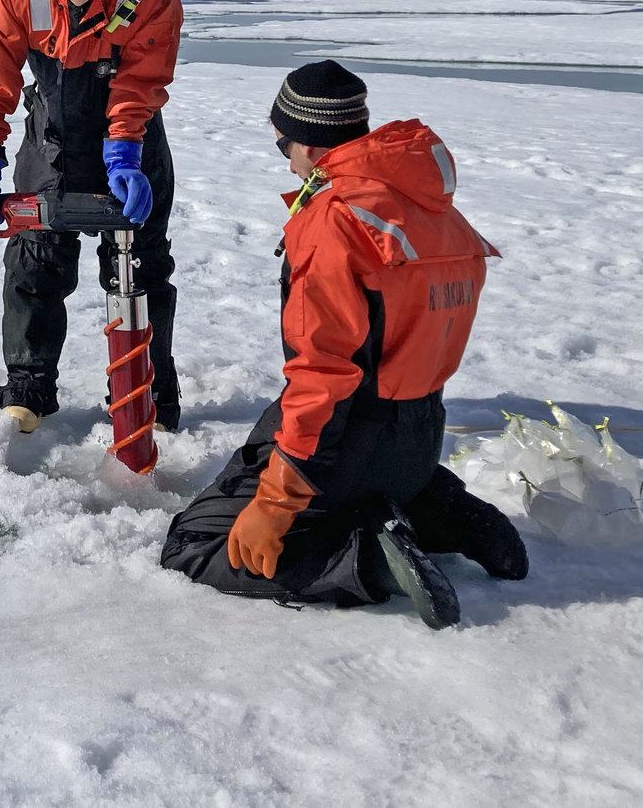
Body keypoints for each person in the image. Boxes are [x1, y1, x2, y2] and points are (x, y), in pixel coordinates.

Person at [159, 61, 529, 629]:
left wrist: (276, 502)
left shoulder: (334, 220)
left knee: (194, 543)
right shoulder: (432, 209)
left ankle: (367, 561)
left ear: (306, 140)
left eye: (281, 141)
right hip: (420, 434)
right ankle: (438, 510)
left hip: (345, 440)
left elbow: (323, 376)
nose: (284, 157)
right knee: (357, 463)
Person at [0, 0, 188, 433]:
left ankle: (148, 389)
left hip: (129, 142)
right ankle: (28, 389)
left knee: (141, 268)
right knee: (35, 260)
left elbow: (140, 81)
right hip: (52, 140)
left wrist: (125, 152)